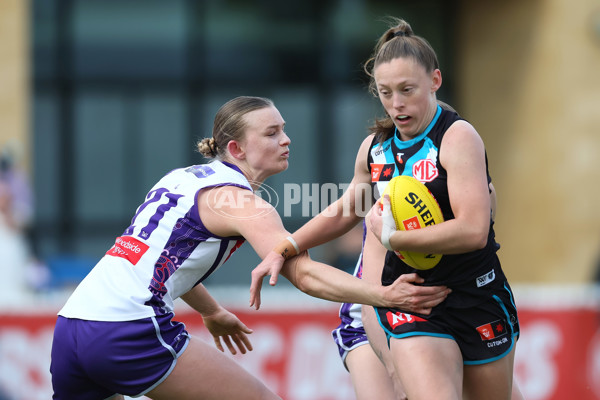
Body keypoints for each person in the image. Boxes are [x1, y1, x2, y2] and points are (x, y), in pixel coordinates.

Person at [49, 95, 431, 400]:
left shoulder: (180, 178)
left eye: (284, 129)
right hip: (127, 328)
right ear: (237, 148)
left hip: (71, 326)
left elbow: (156, 264)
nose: (286, 139)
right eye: (271, 133)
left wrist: (212, 311)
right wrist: (385, 295)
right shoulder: (242, 202)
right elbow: (305, 275)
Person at [251, 18, 523, 400]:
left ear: (435, 81)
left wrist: (394, 236)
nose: (396, 103)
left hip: (477, 295)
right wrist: (285, 247)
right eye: (385, 92)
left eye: (407, 90)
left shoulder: (458, 137)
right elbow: (348, 210)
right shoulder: (375, 149)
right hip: (411, 299)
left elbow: (473, 231)